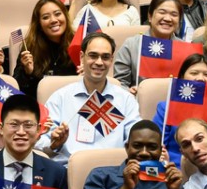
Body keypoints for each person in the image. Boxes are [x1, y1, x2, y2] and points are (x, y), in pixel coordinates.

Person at [40, 30, 140, 158]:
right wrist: (54, 144)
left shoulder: (126, 100)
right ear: (82, 57)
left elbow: (135, 139)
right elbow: (40, 142)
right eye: (93, 55)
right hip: (67, 170)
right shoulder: (60, 97)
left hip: (112, 172)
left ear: (111, 60)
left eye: (105, 57)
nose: (99, 62)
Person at [148, 54, 207, 162]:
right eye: (194, 73)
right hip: (175, 169)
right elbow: (157, 145)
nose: (200, 78)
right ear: (182, 76)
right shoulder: (166, 107)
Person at [112, 0, 184, 89]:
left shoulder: (184, 49)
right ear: (150, 16)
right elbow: (120, 83)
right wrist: (129, 92)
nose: (167, 18)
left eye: (174, 14)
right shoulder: (131, 45)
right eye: (162, 12)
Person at [13, 0, 78, 97]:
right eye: (46, 17)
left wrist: (87, 74)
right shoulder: (29, 49)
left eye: (57, 14)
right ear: (39, 24)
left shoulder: (79, 44)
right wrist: (28, 73)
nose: (53, 20)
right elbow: (17, 92)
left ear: (65, 16)